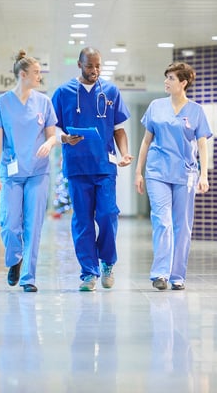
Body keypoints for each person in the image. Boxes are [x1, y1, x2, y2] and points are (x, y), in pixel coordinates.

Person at [51, 47, 133, 291]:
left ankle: (107, 262)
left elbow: (119, 128)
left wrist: (125, 152)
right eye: (90, 66)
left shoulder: (110, 91)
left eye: (98, 66)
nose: (95, 71)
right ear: (79, 65)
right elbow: (52, 128)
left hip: (105, 165)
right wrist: (64, 138)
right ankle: (88, 272)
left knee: (107, 213)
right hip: (77, 166)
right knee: (83, 220)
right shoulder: (63, 92)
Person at [134, 62, 212, 291]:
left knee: (183, 225)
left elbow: (202, 145)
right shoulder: (156, 106)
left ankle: (177, 275)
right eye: (166, 77)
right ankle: (160, 274)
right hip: (157, 172)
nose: (166, 82)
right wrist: (138, 172)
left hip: (185, 174)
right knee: (162, 221)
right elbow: (146, 140)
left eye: (171, 78)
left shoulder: (196, 111)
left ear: (183, 83)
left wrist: (204, 174)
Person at [0, 50, 57, 293]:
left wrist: (49, 143)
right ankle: (14, 259)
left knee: (33, 225)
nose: (40, 76)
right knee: (9, 224)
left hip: (38, 172)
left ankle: (28, 277)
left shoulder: (44, 103)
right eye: (36, 72)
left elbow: (52, 135)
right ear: (23, 74)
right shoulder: (1, 103)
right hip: (11, 172)